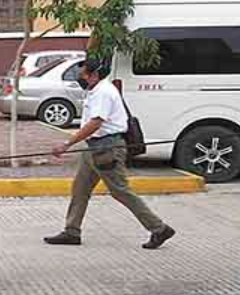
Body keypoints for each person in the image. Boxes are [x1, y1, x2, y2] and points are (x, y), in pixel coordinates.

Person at [44, 58, 177, 250]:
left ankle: (159, 228)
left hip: (107, 148)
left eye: (82, 75)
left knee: (120, 191)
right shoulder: (95, 90)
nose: (80, 79)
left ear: (94, 75)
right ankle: (72, 231)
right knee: (80, 189)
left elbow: (95, 123)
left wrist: (67, 144)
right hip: (94, 148)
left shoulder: (103, 92)